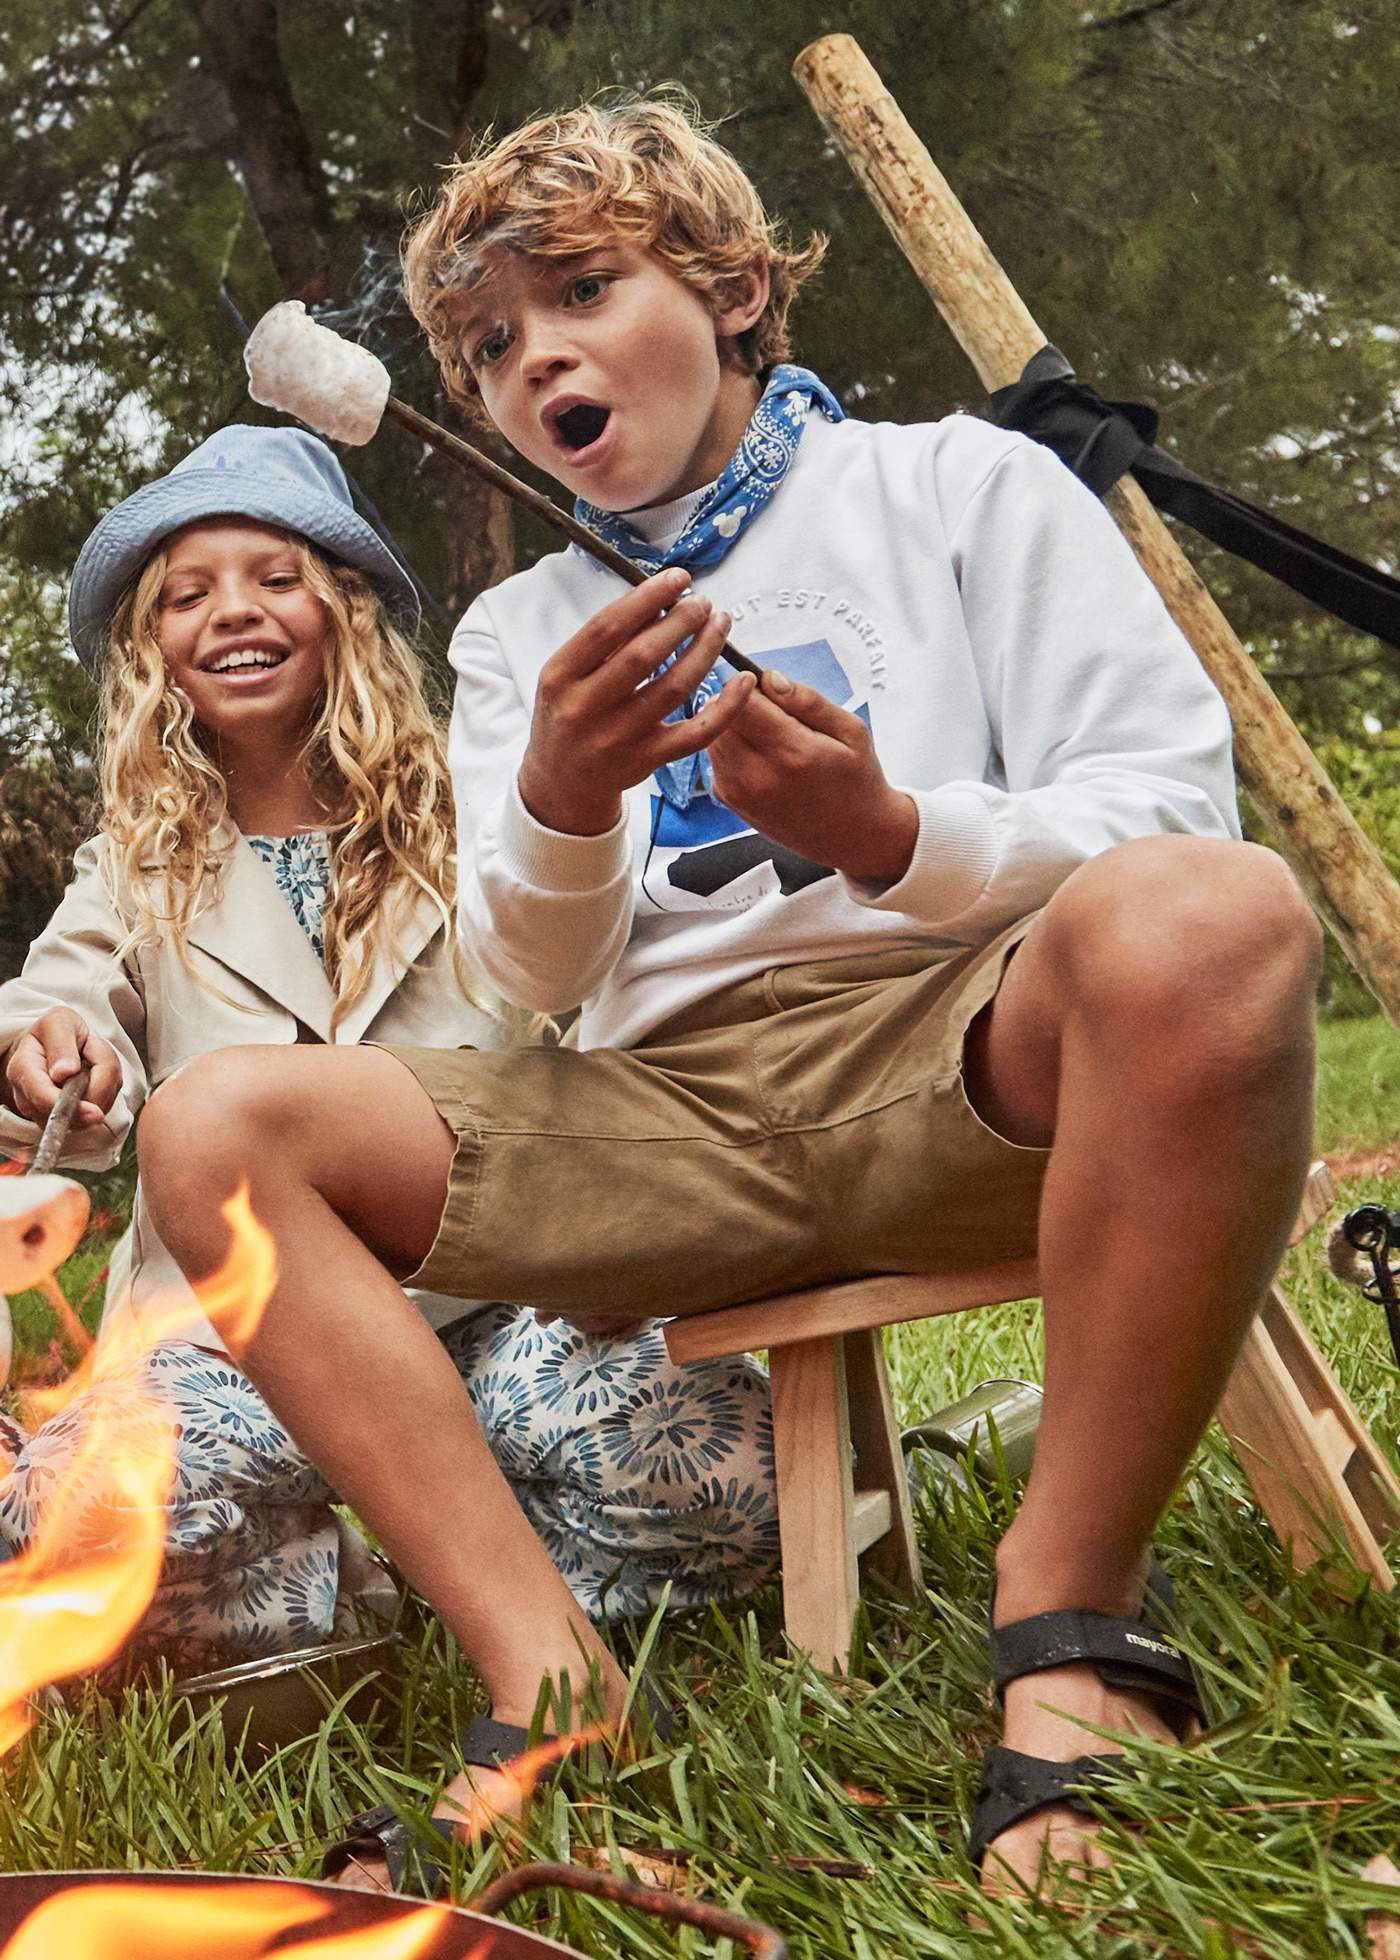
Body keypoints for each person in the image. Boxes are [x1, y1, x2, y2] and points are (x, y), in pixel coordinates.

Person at [133, 98, 1322, 1899]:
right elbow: (529, 977)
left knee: (1214, 917)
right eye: (486, 346)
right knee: (216, 1124)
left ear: (740, 283)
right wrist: (563, 798)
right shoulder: (515, 631)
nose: (537, 360)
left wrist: (889, 828)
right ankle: (555, 1685)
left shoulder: (958, 486)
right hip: (659, 1119)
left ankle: (1067, 1620)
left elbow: (1171, 810)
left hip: (971, 1055)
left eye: (586, 293)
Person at [0, 422, 776, 1682]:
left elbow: (595, 990)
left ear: (344, 610)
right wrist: (49, 1056)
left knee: (733, 1475)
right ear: (154, 652)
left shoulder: (485, 807)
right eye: (186, 595)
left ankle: (474, 1566)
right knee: (61, 1535)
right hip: (233, 1339)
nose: (231, 614)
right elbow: (59, 1003)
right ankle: (340, 1595)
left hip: (498, 1302)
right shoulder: (135, 867)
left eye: (274, 577)